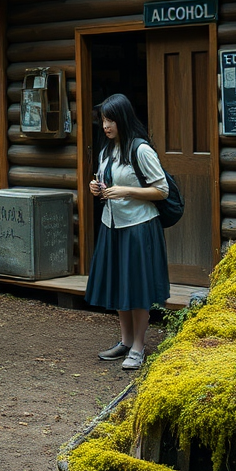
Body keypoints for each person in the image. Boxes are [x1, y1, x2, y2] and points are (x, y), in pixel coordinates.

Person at [86, 94, 170, 370]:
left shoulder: (141, 150)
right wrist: (95, 187)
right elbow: (104, 181)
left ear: (122, 118)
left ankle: (138, 346)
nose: (105, 125)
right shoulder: (107, 151)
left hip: (139, 227)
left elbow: (161, 190)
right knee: (119, 283)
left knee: (137, 286)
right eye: (103, 120)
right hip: (113, 225)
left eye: (110, 119)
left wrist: (125, 190)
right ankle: (124, 341)